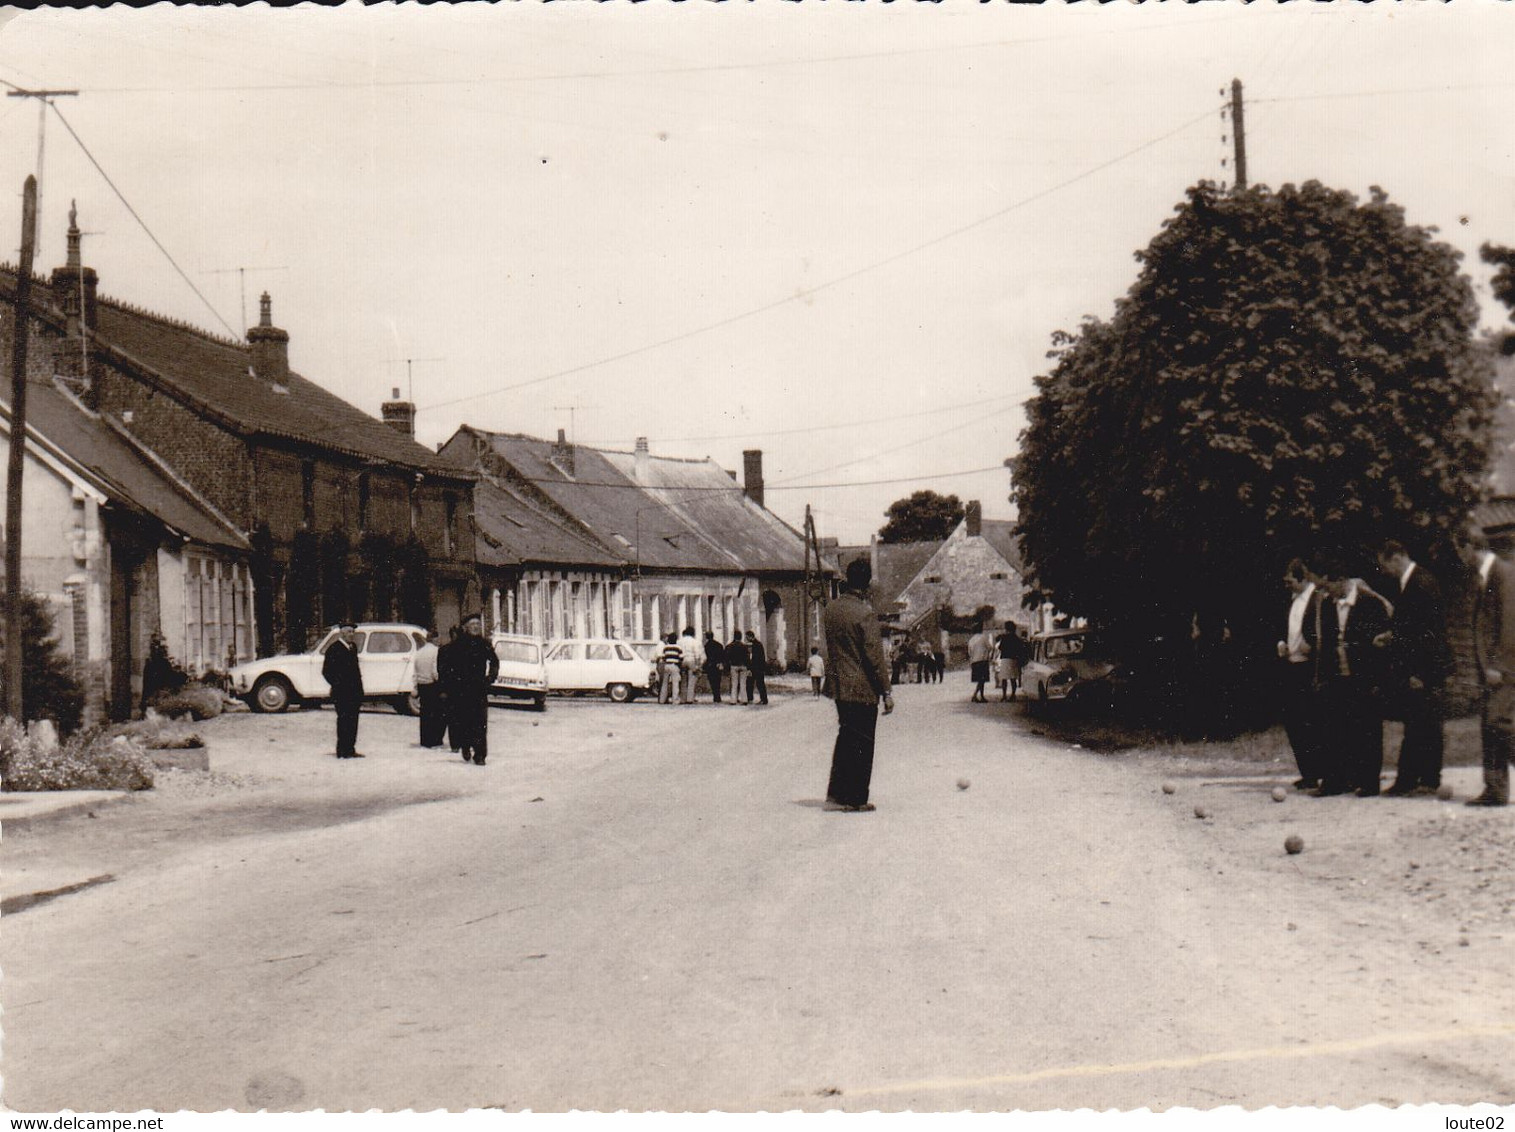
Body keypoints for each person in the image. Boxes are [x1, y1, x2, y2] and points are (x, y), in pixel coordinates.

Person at [1311, 554, 1393, 797]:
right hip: (1337, 676)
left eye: (1329, 586)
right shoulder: (1328, 605)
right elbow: (1326, 643)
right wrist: (1323, 675)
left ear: (1342, 580)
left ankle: (1368, 781)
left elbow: (1382, 646)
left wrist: (1379, 680)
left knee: (1367, 729)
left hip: (1364, 677)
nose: (1327, 592)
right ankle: (1336, 780)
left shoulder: (1371, 603)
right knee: (1335, 728)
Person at [1376, 540, 1454, 797]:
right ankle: (1425, 779)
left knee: (1423, 724)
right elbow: (1412, 627)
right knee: (1423, 724)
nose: (1384, 571)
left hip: (1425, 670)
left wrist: (1421, 673)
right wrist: (1392, 635)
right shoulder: (1411, 583)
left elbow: (1431, 633)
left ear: (1397, 557)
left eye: (1385, 565)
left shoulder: (1421, 583)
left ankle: (1415, 780)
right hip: (1419, 667)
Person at [822, 558, 894, 812]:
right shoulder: (864, 613)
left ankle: (836, 795)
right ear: (866, 585)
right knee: (863, 743)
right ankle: (856, 798)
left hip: (839, 685)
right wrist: (886, 691)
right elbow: (874, 656)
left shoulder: (831, 610)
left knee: (845, 737)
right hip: (862, 687)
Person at [1461, 524, 1513, 806]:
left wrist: (1497, 666)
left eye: (1460, 550)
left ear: (1468, 547)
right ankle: (1494, 789)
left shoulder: (1503, 573)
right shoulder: (1484, 576)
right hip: (1490, 670)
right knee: (1490, 725)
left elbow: (1508, 624)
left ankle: (1496, 787)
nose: (1460, 557)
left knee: (1499, 725)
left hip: (1501, 670)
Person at [1276, 558, 1324, 791]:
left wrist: (1312, 646)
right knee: (1294, 722)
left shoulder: (1318, 600)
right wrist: (1281, 643)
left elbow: (1326, 631)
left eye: (1290, 581)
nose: (1287, 585)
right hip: (1291, 666)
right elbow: (1283, 628)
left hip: (1310, 668)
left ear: (1303, 579)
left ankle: (1321, 771)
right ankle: (1308, 773)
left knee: (1313, 721)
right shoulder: (1291, 601)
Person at [448, 613, 499, 765]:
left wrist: (490, 678)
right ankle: (465, 746)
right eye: (473, 625)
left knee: (481, 722)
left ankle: (480, 755)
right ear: (466, 627)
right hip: (462, 690)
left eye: (478, 624)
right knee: (464, 721)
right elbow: (449, 666)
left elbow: (494, 661)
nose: (476, 627)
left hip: (479, 689)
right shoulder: (458, 645)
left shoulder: (485, 644)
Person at [321, 620, 364, 759]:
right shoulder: (334, 649)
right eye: (348, 632)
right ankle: (342, 750)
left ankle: (351, 748)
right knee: (343, 721)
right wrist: (338, 685)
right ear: (342, 633)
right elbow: (326, 671)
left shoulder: (353, 647)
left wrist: (360, 690)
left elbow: (356, 671)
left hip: (354, 693)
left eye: (353, 632)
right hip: (341, 693)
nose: (351, 635)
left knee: (353, 721)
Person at [415, 627, 444, 748]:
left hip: (421, 684)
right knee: (434, 713)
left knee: (424, 713)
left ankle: (424, 739)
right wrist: (440, 681)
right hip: (432, 684)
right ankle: (433, 739)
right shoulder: (436, 651)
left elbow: (415, 669)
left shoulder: (419, 652)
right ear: (435, 639)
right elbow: (434, 670)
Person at [437, 626, 462, 752]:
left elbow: (440, 672)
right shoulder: (463, 650)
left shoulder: (444, 650)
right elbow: (441, 671)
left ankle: (456, 745)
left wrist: (442, 689)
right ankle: (458, 744)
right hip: (458, 689)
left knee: (453, 718)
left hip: (451, 689)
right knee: (457, 718)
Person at [994, 622, 1027, 701]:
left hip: (1005, 659)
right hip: (1013, 659)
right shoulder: (1016, 638)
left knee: (1004, 679)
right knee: (1013, 679)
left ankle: (1004, 695)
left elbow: (1000, 648)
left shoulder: (1004, 637)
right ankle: (1013, 695)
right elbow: (1020, 649)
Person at [967, 625, 992, 703]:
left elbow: (969, 652)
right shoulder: (983, 638)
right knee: (982, 680)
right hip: (982, 660)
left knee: (980, 679)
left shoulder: (971, 639)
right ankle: (976, 695)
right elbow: (990, 647)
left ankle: (981, 696)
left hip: (974, 661)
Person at [678, 626, 702, 705]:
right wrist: (698, 665)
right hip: (691, 660)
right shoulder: (695, 641)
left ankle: (683, 698)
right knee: (692, 680)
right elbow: (697, 654)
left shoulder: (679, 641)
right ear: (693, 633)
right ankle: (690, 698)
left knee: (683, 680)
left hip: (682, 660)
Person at [746, 630, 769, 705]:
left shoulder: (756, 645)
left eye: (747, 637)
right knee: (752, 683)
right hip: (757, 668)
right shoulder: (757, 644)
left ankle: (763, 699)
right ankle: (761, 699)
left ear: (750, 637)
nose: (746, 639)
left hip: (757, 668)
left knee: (758, 684)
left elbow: (757, 657)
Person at [659, 632, 683, 704]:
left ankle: (662, 699)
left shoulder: (665, 647)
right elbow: (681, 658)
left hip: (667, 665)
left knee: (665, 683)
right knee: (675, 683)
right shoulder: (678, 647)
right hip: (674, 665)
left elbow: (663, 657)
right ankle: (675, 700)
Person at [726, 631, 749, 705]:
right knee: (743, 683)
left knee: (734, 683)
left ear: (734, 637)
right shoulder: (744, 646)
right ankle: (744, 699)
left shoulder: (730, 646)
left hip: (734, 665)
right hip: (743, 666)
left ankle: (733, 700)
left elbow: (728, 656)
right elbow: (747, 657)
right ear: (741, 637)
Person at [702, 630, 726, 703]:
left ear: (706, 637)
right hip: (717, 665)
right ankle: (717, 696)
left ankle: (715, 696)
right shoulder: (719, 645)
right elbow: (722, 655)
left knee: (712, 681)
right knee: (718, 680)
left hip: (710, 665)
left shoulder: (706, 646)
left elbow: (706, 656)